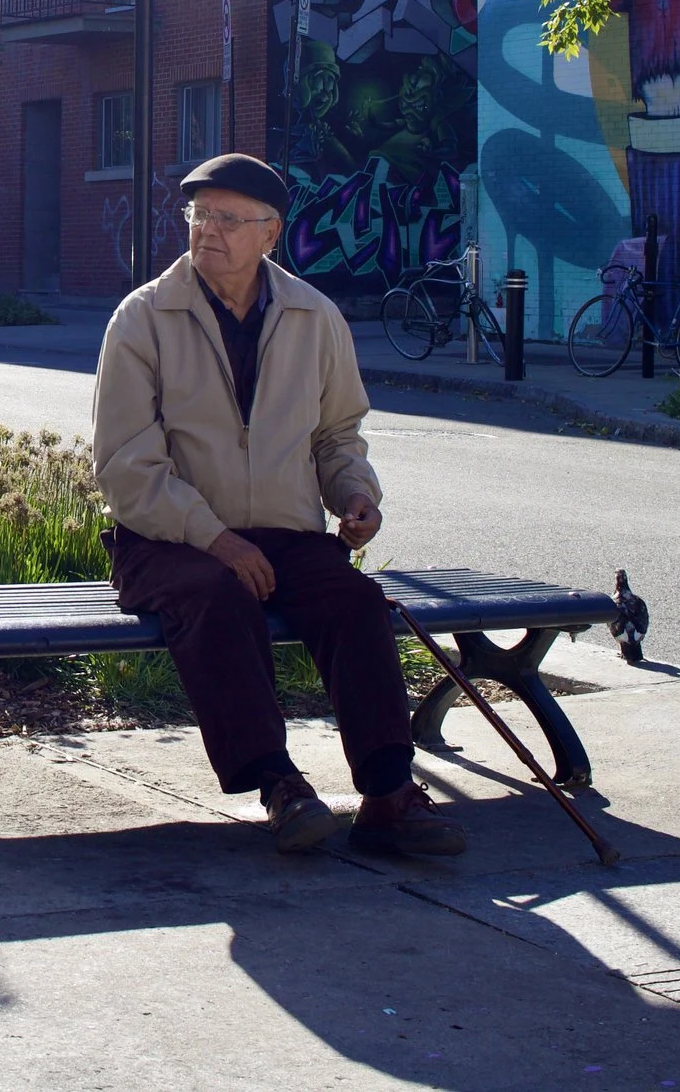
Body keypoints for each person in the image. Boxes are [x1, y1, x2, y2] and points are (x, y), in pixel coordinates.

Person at [92, 153, 465, 857]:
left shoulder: (313, 316)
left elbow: (336, 435)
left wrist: (356, 495)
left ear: (271, 233)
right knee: (217, 590)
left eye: (229, 219)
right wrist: (214, 536)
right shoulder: (142, 319)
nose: (209, 232)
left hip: (285, 535)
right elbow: (124, 465)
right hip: (166, 541)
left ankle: (389, 792)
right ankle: (279, 784)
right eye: (200, 216)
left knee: (357, 601)